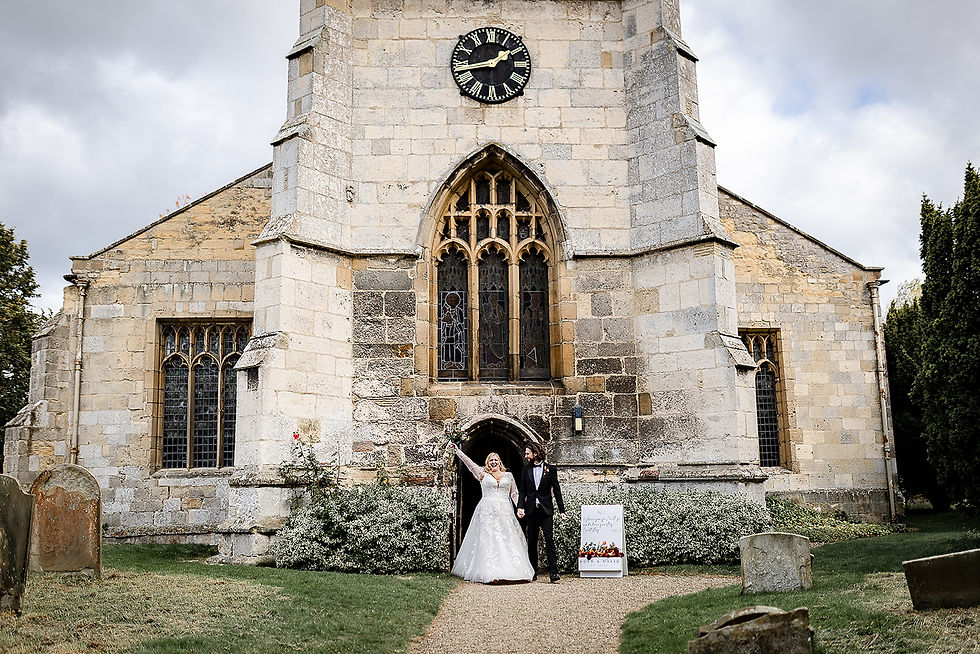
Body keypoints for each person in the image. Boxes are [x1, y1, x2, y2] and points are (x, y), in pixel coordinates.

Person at [448, 444, 534, 584]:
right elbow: (470, 464)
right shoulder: (482, 474)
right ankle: (491, 572)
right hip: (487, 511)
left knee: (507, 538)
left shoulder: (509, 475)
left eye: (495, 460)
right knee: (489, 540)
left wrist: (520, 508)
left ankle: (514, 571)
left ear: (499, 461)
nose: (493, 462)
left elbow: (514, 493)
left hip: (505, 511)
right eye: (490, 460)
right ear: (487, 463)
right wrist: (458, 452)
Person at [517, 442, 566, 583]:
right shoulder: (525, 470)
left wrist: (562, 510)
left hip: (546, 511)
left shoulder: (551, 469)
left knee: (549, 540)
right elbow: (522, 490)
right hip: (531, 511)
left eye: (527, 453)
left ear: (535, 453)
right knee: (531, 542)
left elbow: (556, 490)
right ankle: (533, 571)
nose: (526, 456)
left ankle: (553, 572)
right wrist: (520, 506)